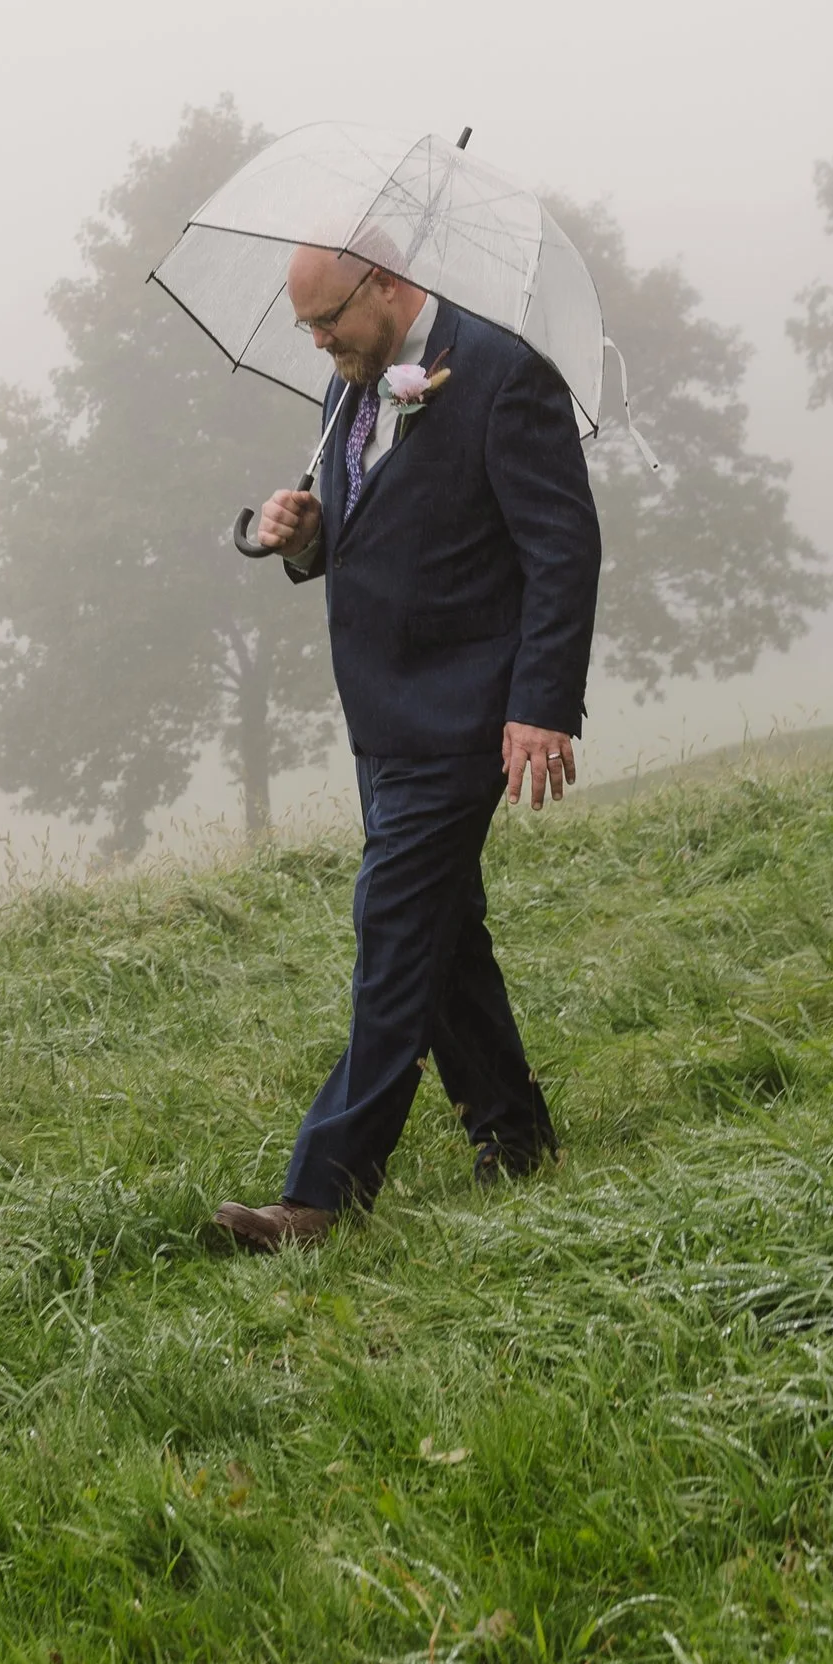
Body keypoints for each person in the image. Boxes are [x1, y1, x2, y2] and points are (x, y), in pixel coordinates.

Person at [208, 239, 602, 1250]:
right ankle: (515, 1137)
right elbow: (371, 526)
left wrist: (541, 704)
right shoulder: (348, 386)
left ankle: (320, 1198)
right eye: (304, 327)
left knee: (391, 933)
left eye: (329, 317)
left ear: (386, 284)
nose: (318, 340)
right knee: (440, 936)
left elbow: (561, 549)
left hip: (465, 712)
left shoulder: (504, 374)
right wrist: (296, 533)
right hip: (380, 716)